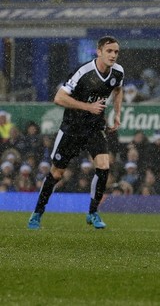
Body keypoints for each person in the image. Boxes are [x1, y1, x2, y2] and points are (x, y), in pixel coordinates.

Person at [27, 36, 124, 230]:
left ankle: (93, 212)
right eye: (109, 51)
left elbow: (118, 89)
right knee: (57, 173)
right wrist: (88, 107)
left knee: (104, 166)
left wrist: (117, 114)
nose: (113, 55)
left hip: (94, 127)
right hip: (72, 128)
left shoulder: (118, 72)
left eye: (116, 52)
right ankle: (37, 213)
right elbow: (59, 97)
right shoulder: (84, 72)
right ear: (99, 52)